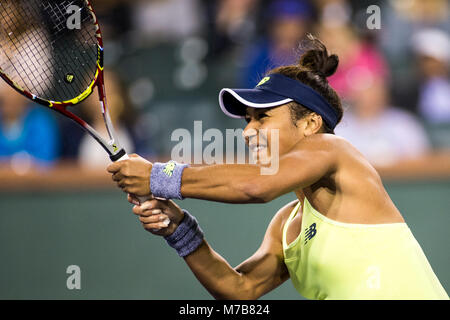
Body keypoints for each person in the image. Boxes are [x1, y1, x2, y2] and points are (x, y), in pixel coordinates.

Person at [107, 35, 449, 299]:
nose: (248, 130)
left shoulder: (336, 150)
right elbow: (240, 290)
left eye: (262, 117)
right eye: (247, 120)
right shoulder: (287, 224)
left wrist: (157, 175)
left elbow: (256, 186)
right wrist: (178, 228)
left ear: (310, 124)